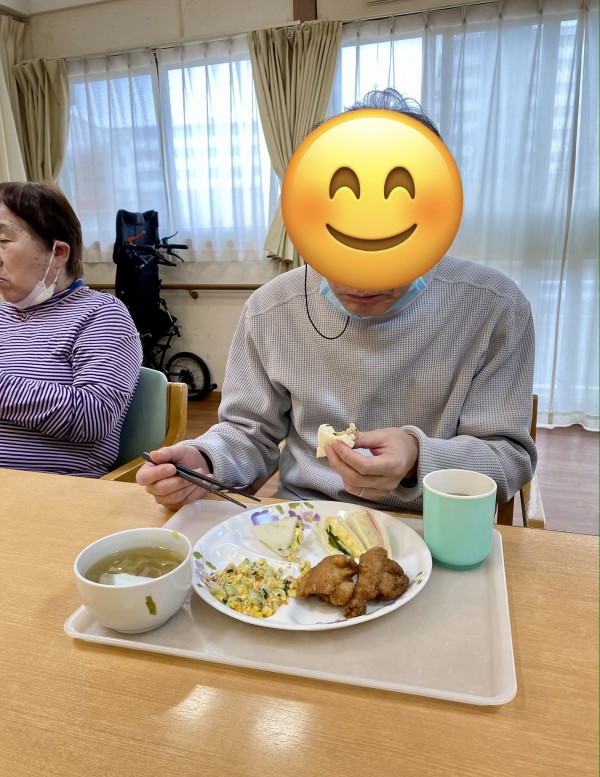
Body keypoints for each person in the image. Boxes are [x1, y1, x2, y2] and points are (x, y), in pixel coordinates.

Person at [137, 91, 536, 511]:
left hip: (436, 525)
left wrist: (418, 458)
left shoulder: (495, 309)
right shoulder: (271, 309)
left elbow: (508, 459)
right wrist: (205, 460)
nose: (358, 282)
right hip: (304, 522)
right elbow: (248, 433)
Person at [0, 181, 142, 477]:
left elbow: (95, 415)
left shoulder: (101, 314)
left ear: (59, 252)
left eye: (2, 240)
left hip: (52, 493)